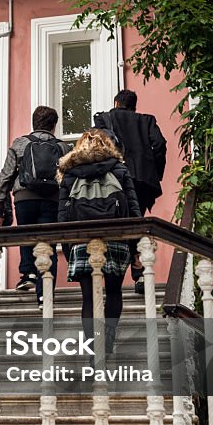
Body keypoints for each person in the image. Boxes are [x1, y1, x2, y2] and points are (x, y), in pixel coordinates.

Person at [57, 129, 142, 354]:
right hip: (116, 237)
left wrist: (68, 247)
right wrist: (136, 247)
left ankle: (93, 347)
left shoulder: (70, 174)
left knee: (88, 299)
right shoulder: (120, 169)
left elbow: (62, 216)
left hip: (82, 240)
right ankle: (109, 339)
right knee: (114, 291)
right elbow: (133, 210)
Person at [0, 106, 71, 306]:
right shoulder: (63, 147)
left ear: (33, 123)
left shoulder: (20, 143)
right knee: (47, 244)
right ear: (54, 126)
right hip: (52, 199)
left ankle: (28, 273)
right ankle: (44, 295)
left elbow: (6, 176)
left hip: (24, 197)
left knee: (26, 235)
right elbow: (70, 180)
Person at [92, 89, 166, 294]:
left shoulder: (104, 119)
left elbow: (95, 147)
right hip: (142, 179)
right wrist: (154, 171)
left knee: (113, 225)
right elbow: (160, 145)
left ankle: (112, 277)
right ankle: (139, 272)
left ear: (116, 103)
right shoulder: (147, 121)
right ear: (134, 105)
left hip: (113, 179)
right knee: (136, 221)